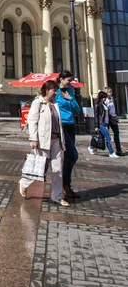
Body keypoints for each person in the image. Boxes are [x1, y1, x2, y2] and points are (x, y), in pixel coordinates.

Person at [19, 80, 69, 207]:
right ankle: (24, 183)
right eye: (54, 90)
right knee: (40, 168)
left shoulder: (55, 104)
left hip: (56, 140)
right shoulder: (38, 103)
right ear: (46, 90)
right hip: (43, 141)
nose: (55, 92)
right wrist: (33, 139)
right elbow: (32, 121)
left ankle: (56, 197)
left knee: (57, 169)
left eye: (56, 90)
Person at [56, 70, 81, 200]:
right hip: (61, 126)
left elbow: (77, 109)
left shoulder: (70, 91)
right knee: (73, 155)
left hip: (71, 125)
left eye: (71, 80)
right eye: (68, 80)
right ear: (61, 79)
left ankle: (66, 185)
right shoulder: (55, 92)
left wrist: (70, 99)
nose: (70, 83)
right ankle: (63, 185)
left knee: (68, 157)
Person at [88, 90, 120, 158]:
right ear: (101, 97)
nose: (105, 99)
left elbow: (108, 114)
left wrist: (115, 120)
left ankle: (91, 147)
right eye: (104, 97)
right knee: (108, 138)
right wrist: (96, 126)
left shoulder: (104, 104)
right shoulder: (97, 104)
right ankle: (111, 152)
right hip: (101, 123)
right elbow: (96, 116)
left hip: (106, 123)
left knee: (101, 137)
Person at [105, 86, 124, 156]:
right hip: (108, 119)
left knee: (116, 133)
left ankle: (118, 150)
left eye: (111, 91)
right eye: (110, 92)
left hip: (113, 118)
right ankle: (94, 146)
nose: (111, 93)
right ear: (106, 93)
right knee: (104, 135)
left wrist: (116, 118)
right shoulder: (105, 101)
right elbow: (106, 111)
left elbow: (113, 110)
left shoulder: (112, 99)